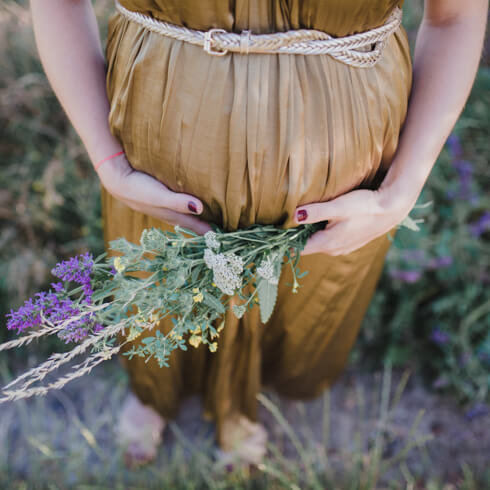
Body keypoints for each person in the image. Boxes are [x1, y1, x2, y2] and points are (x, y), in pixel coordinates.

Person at [30, 0, 488, 470]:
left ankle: (244, 403)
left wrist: (400, 190)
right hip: (157, 150)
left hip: (340, 176)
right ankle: (154, 393)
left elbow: (457, 15)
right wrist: (108, 161)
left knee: (297, 302)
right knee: (156, 287)